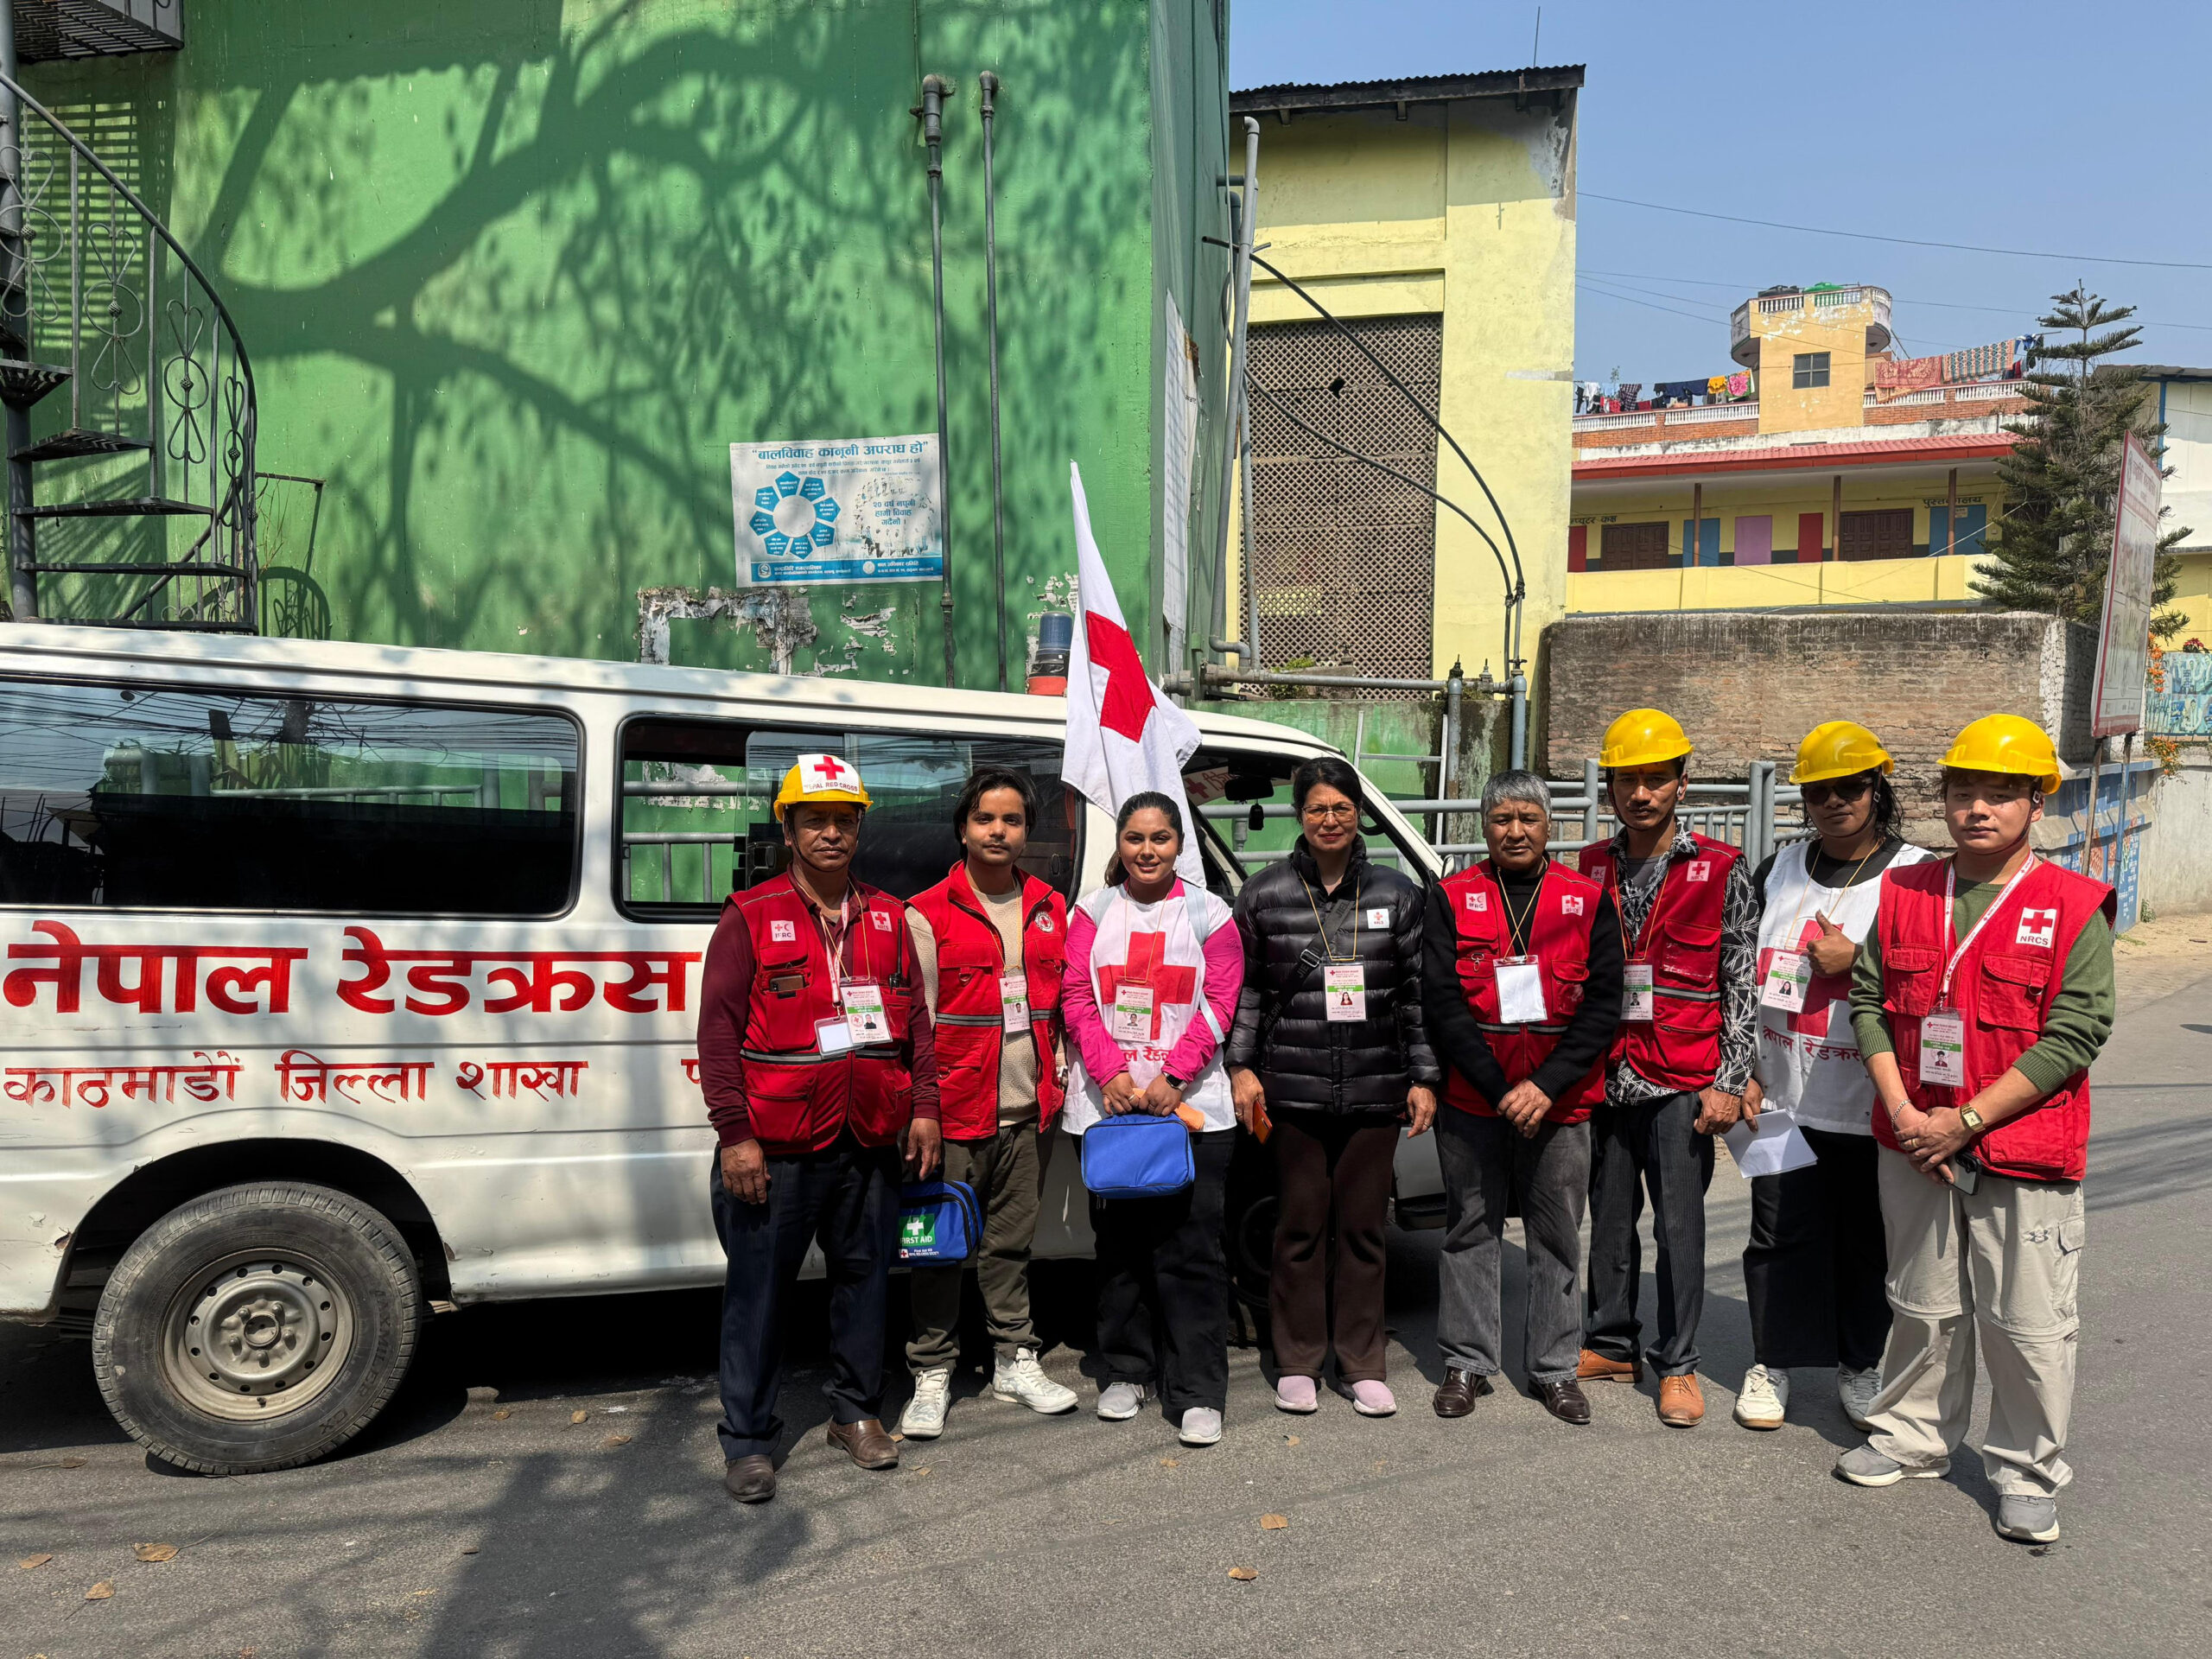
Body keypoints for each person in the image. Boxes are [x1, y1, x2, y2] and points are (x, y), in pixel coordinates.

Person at [1836, 715, 2114, 1547]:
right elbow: (1868, 1003)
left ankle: (2028, 1472)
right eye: (1964, 792)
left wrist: (1965, 1121)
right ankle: (1911, 1436)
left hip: (2021, 1148)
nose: (1979, 809)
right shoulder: (1906, 891)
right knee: (1920, 1303)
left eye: (2000, 793)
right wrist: (1904, 1112)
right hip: (1915, 1140)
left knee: (2027, 1321)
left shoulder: (2071, 905)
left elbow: (2076, 1033)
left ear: (2036, 803)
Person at [696, 754, 943, 1504]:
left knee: (865, 1282)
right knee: (759, 1295)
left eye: (843, 820)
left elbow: (917, 1024)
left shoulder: (889, 917)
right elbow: (717, 1035)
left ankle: (855, 1413)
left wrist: (925, 1107)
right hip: (775, 1145)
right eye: (815, 821)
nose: (831, 833)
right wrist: (735, 1136)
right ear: (789, 830)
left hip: (867, 1137)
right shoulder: (750, 915)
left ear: (859, 828)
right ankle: (748, 1440)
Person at [1225, 756, 1439, 1418]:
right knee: (1299, 1229)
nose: (1329, 819)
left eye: (1341, 808)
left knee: (1365, 1232)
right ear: (1299, 815)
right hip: (1292, 1089)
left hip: (1376, 1089)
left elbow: (1415, 997)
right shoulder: (1264, 894)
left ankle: (1362, 1363)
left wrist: (1424, 1077)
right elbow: (1247, 993)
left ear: (1359, 814)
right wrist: (1241, 1066)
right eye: (1317, 808)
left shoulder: (1397, 894)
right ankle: (1297, 1361)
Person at [1735, 722, 1932, 1433]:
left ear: (1878, 788)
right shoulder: (1777, 869)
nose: (1835, 802)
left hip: (1872, 1102)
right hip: (1780, 1099)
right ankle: (1773, 1361)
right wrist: (1741, 1068)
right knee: (1777, 1235)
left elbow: (1941, 976)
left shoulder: (1917, 874)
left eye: (1851, 787)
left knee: (1866, 1241)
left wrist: (1861, 960)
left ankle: (1860, 1363)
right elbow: (1737, 974)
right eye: (1819, 791)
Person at [1574, 709, 1757, 1427]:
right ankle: (1610, 1341)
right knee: (1609, 1220)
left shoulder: (1721, 868)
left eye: (1656, 779)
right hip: (1606, 1075)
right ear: (1609, 790)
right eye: (1628, 780)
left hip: (1682, 1078)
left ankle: (1678, 1365)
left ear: (1683, 783)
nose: (1641, 793)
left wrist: (1730, 1082)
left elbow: (1740, 979)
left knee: (1679, 1229)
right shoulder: (1587, 867)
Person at [1423, 770, 1623, 1425]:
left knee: (1557, 1235)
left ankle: (1555, 1369)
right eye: (1502, 819)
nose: (1515, 831)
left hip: (1560, 1103)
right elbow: (1443, 1005)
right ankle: (1466, 1363)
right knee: (1469, 1229)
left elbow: (1603, 1006)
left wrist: (1543, 1086)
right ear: (1484, 826)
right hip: (1473, 1100)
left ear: (1548, 825)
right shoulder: (1452, 897)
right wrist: (1501, 1088)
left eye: (1528, 819)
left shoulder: (1586, 899)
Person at [899, 766, 1079, 1437]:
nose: (997, 831)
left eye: (1011, 820)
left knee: (1011, 1245)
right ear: (963, 828)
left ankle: (1013, 1358)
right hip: (950, 1116)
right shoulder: (926, 913)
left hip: (1027, 1113)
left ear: (1027, 832)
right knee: (937, 1248)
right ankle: (932, 1369)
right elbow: (916, 1025)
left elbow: (1062, 1010)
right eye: (985, 819)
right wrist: (922, 1111)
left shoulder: (1049, 907)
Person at [1060, 792, 1243, 1447]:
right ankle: (1127, 1370)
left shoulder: (1210, 913)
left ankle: (1197, 1390)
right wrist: (1110, 1071)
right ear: (1120, 844)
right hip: (1109, 1108)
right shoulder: (1093, 911)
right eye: (1135, 838)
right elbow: (1075, 995)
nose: (1147, 850)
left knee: (1191, 1252)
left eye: (1160, 838)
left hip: (1191, 1110)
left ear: (1179, 844)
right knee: (1119, 1249)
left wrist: (1173, 1076)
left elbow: (1221, 999)